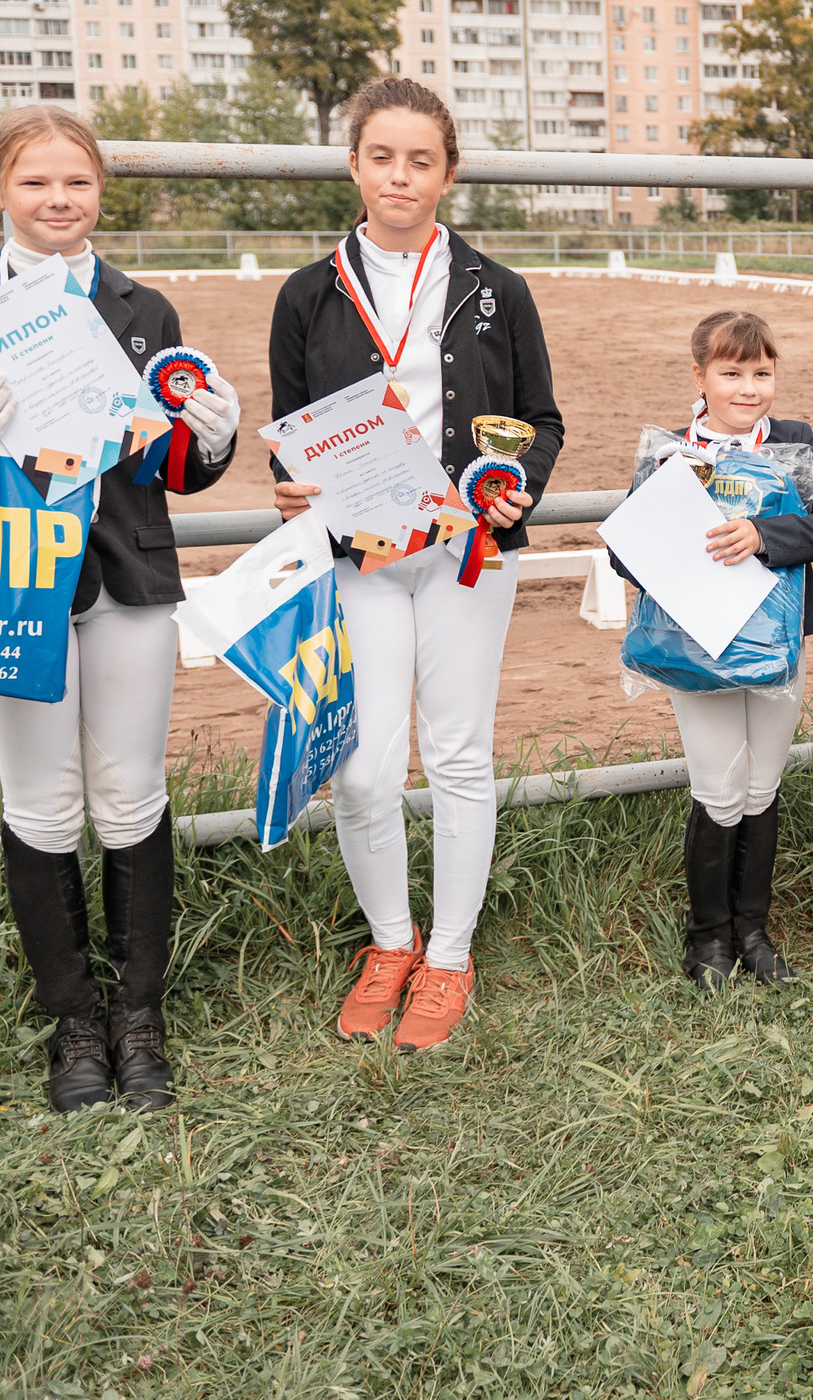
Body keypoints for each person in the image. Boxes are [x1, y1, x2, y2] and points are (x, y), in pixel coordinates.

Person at [0, 105, 242, 1113]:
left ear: (102, 190)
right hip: (13, 581)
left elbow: (175, 466)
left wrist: (216, 436)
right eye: (35, 182)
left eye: (77, 183)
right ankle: (72, 1026)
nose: (58, 200)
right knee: (41, 798)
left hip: (127, 576)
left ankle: (140, 1019)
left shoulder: (147, 307)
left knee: (130, 789)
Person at [268, 77, 564, 1053]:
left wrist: (516, 480)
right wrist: (290, 482)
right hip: (358, 558)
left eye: (421, 159)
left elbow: (542, 421)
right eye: (382, 156)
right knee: (359, 768)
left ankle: (448, 952)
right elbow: (291, 432)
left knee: (459, 756)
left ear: (449, 172)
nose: (401, 175)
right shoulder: (307, 294)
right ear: (354, 164)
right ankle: (388, 941)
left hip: (464, 557)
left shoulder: (496, 289)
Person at [610, 310, 813, 992]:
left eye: (761, 373)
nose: (748, 388)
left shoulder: (795, 443)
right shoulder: (671, 455)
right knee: (719, 789)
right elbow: (623, 555)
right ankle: (707, 936)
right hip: (698, 646)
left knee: (761, 786)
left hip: (777, 647)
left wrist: (764, 535)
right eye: (731, 372)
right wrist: (676, 528)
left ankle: (752, 929)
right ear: (701, 377)